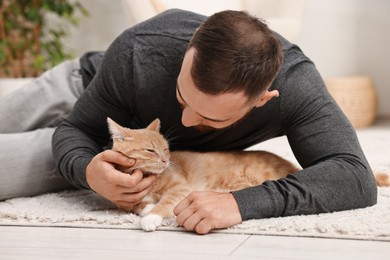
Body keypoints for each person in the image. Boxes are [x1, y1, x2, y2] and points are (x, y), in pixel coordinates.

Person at [0, 9, 377, 234]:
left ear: (262, 101)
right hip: (81, 89)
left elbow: (354, 177)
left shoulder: (296, 86)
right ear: (189, 49)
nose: (184, 119)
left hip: (125, 146)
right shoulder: (140, 47)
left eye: (210, 116)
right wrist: (86, 170)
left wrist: (242, 203)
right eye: (181, 96)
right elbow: (76, 129)